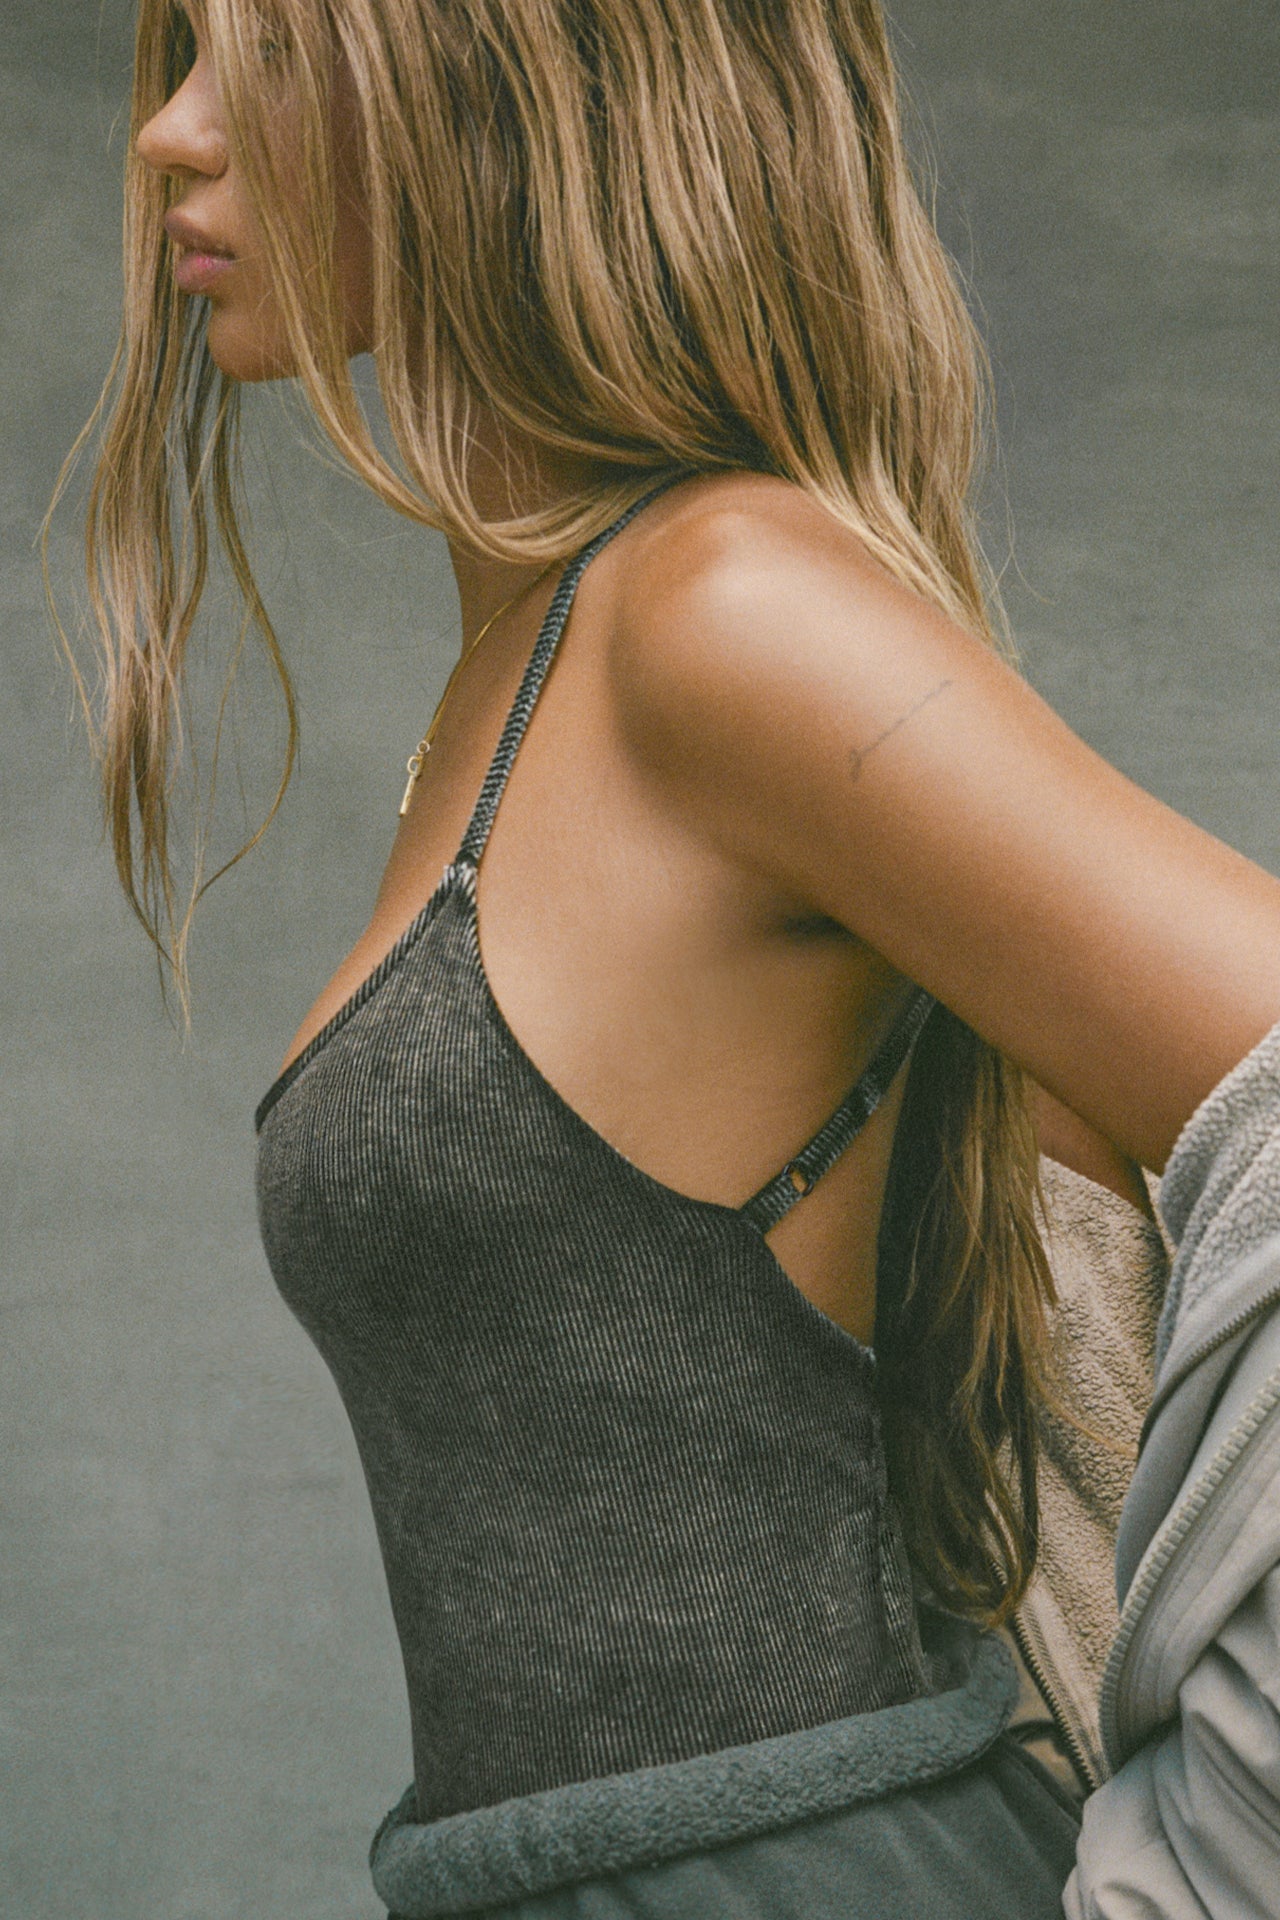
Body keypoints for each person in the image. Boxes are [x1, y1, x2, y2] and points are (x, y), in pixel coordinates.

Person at [55, 0, 1280, 1913]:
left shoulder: (719, 617)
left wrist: (1213, 1859)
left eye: (267, 49)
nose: (171, 135)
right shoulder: (535, 657)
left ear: (506, 82)